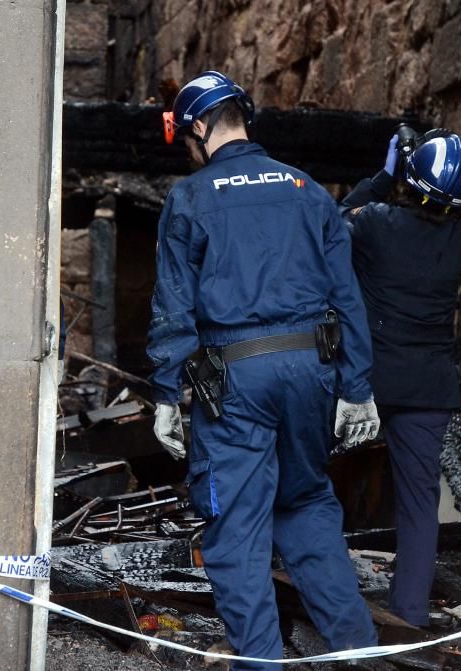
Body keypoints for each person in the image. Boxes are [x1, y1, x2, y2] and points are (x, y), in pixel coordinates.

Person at [147, 71, 381, 670]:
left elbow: (175, 303)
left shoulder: (192, 198)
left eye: (187, 139)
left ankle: (259, 662)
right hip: (312, 372)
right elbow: (347, 297)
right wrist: (357, 389)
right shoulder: (308, 190)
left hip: (236, 380)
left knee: (238, 526)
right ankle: (358, 652)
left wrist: (168, 395)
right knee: (304, 505)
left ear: (198, 126)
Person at [339, 128, 461, 627]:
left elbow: (332, 224)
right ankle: (410, 616)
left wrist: (383, 177)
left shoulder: (375, 224)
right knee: (420, 503)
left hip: (365, 380)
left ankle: (322, 592)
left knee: (308, 482)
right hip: (428, 387)